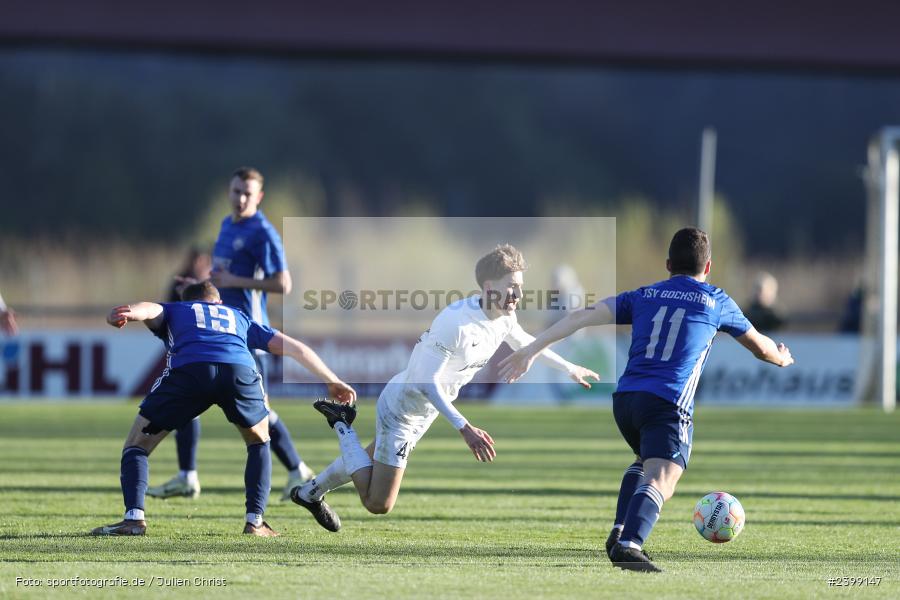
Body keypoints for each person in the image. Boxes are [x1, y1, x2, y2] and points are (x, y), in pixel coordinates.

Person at [498, 228, 794, 572]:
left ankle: (621, 531)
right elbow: (762, 347)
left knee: (643, 462)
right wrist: (782, 357)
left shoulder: (643, 295)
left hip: (625, 400)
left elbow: (581, 316)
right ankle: (629, 545)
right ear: (708, 266)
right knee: (663, 477)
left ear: (668, 264)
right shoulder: (717, 300)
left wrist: (532, 348)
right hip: (667, 402)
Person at [289, 244, 600, 531]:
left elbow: (526, 343)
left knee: (367, 461)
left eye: (520, 286)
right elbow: (427, 384)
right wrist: (464, 427)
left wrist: (569, 367)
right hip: (402, 409)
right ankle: (342, 424)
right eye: (512, 287)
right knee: (378, 503)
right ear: (490, 288)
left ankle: (309, 492)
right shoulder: (456, 323)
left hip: (424, 412)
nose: (519, 293)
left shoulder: (504, 316)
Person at [91, 281, 355, 537]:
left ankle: (134, 519)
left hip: (191, 372)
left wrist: (128, 311)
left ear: (188, 300)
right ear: (218, 301)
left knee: (137, 446)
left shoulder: (177, 309)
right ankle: (256, 522)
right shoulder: (237, 316)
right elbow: (294, 348)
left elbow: (150, 309)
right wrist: (332, 380)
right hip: (239, 373)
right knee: (259, 441)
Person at [149, 168, 313, 502]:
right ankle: (187, 476)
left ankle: (297, 469)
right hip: (216, 328)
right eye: (235, 191)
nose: (239, 199)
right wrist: (197, 288)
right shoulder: (227, 225)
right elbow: (221, 276)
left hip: (245, 333)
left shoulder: (263, 233)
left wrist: (235, 283)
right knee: (189, 398)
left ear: (259, 197)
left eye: (247, 194)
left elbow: (283, 283)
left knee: (259, 413)